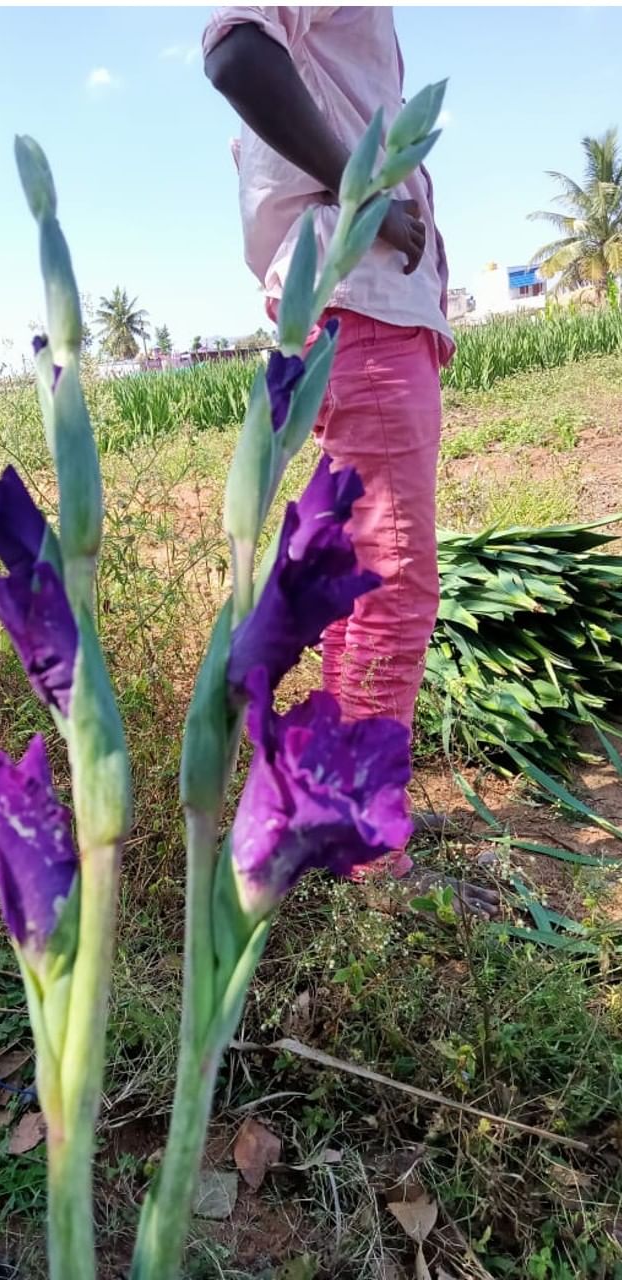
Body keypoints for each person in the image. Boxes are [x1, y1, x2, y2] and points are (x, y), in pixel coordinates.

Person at [203, 6, 499, 919]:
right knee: (392, 585)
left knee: (363, 585)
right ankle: (370, 867)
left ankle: (347, 811)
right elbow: (235, 49)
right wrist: (366, 192)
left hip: (371, 307)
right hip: (358, 301)